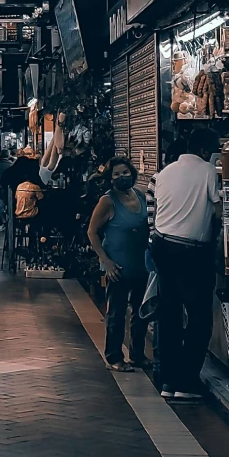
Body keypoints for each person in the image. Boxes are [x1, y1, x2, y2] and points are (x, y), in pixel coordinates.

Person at [150, 128, 222, 401]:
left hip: (162, 246)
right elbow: (217, 209)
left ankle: (167, 381)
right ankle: (186, 381)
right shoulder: (207, 170)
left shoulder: (165, 172)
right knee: (199, 318)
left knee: (169, 315)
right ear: (206, 150)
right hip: (192, 253)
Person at [87, 155, 150, 372]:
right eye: (116, 174)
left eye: (125, 172)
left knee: (141, 313)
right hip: (118, 269)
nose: (122, 176)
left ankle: (137, 355)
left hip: (142, 266)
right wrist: (106, 261)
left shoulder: (140, 196)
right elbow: (92, 232)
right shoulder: (107, 201)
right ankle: (114, 357)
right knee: (117, 314)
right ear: (110, 178)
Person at [7, 146, 43, 260]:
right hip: (30, 212)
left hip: (15, 209)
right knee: (39, 219)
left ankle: (13, 244)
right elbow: (40, 189)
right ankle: (34, 247)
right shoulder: (30, 168)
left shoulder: (14, 169)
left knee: (15, 224)